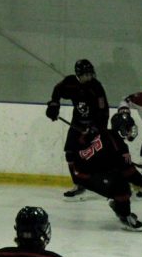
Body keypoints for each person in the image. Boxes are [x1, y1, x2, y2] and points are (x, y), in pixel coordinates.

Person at [65, 111, 142, 231]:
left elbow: (86, 144)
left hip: (80, 167)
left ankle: (119, 206)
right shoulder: (120, 147)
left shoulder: (105, 133)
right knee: (121, 184)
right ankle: (125, 215)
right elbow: (129, 172)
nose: (131, 130)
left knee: (118, 178)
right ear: (121, 129)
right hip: (82, 173)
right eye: (128, 127)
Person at [46, 59, 109, 200]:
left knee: (96, 155)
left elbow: (103, 110)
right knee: (70, 152)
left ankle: (111, 182)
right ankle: (79, 184)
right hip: (77, 124)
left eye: (90, 74)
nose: (89, 77)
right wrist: (54, 105)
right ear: (78, 75)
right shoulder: (70, 82)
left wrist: (96, 128)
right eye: (86, 75)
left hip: (93, 125)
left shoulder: (96, 87)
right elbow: (57, 90)